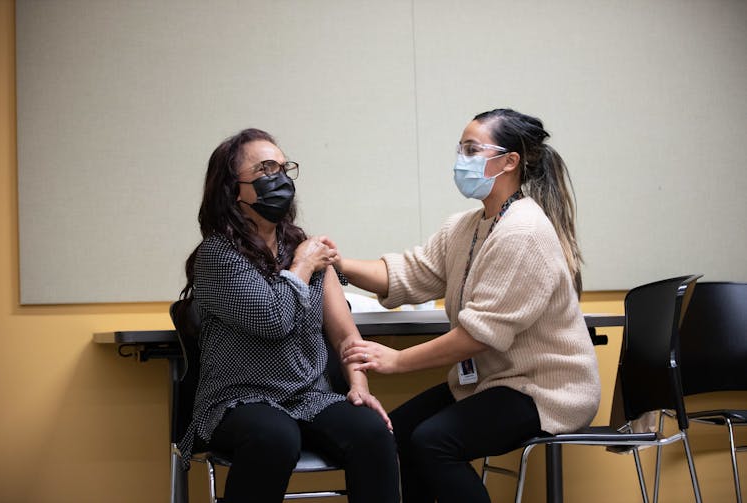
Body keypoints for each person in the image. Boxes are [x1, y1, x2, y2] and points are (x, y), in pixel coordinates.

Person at [331, 108, 601, 503]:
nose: (462, 160)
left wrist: (397, 361)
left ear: (510, 161)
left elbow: (478, 336)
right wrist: (337, 263)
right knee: (398, 432)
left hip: (545, 389)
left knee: (434, 443)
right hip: (494, 382)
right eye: (461, 149)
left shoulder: (523, 230)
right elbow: (407, 274)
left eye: (472, 150)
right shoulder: (467, 227)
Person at [177, 128, 399, 503]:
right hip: (239, 400)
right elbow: (272, 320)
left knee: (373, 433)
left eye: (283, 168)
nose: (278, 178)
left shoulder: (305, 249)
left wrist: (359, 388)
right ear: (234, 189)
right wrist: (301, 265)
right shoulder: (217, 256)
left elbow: (346, 336)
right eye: (265, 169)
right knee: (275, 437)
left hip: (309, 396)